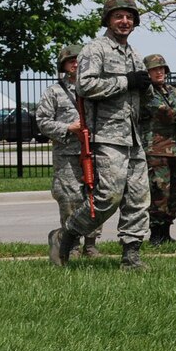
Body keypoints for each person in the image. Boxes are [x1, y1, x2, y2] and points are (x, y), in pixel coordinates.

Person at [48, 0, 153, 270]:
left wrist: (146, 86)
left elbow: (144, 96)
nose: (124, 21)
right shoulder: (96, 49)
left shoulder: (135, 55)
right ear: (107, 19)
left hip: (132, 136)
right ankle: (67, 234)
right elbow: (85, 86)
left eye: (129, 16)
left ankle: (131, 256)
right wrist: (125, 81)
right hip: (106, 135)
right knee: (108, 196)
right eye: (118, 16)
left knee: (138, 197)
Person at [36, 44, 102, 258]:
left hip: (93, 151)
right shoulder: (54, 92)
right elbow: (42, 121)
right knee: (69, 199)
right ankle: (70, 244)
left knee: (94, 197)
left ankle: (91, 245)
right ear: (63, 65)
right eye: (70, 60)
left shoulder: (94, 89)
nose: (75, 63)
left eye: (79, 59)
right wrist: (67, 128)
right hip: (67, 154)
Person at [142, 53, 176, 246]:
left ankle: (166, 232)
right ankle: (156, 233)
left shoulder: (171, 90)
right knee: (159, 191)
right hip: (155, 149)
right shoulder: (146, 93)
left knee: (174, 191)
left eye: (162, 68)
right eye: (155, 69)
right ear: (147, 72)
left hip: (175, 150)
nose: (160, 72)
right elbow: (164, 113)